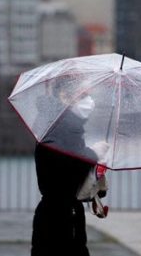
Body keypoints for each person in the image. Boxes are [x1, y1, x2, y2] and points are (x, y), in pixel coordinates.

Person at [31, 91, 105, 256]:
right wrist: (94, 154)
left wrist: (95, 167)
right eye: (83, 94)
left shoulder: (62, 125)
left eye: (90, 94)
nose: (89, 100)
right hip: (59, 221)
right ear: (64, 95)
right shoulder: (60, 127)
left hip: (62, 215)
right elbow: (67, 172)